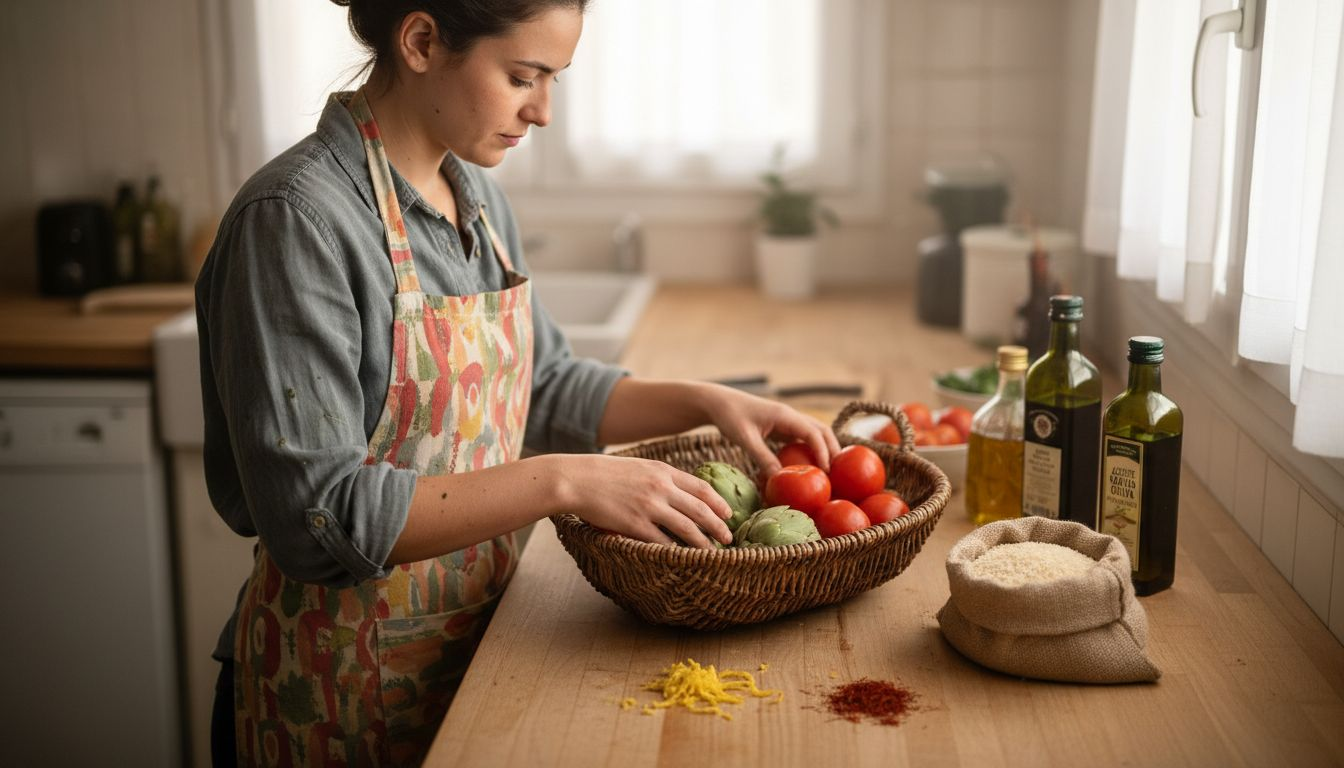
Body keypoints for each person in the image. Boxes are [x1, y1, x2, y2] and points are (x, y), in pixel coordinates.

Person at [197, 1, 839, 765]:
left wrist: (706, 400)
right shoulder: (297, 222)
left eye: (554, 79)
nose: (542, 112)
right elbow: (319, 514)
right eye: (522, 77)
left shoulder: (475, 197)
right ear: (422, 41)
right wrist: (562, 482)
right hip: (338, 696)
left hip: (472, 656)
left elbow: (546, 384)